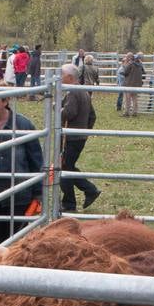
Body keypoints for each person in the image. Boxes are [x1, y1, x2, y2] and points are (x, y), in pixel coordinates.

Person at [0, 93, 44, 246]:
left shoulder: (24, 125)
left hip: (20, 194)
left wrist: (38, 192)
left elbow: (36, 160)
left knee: (19, 243)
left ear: (6, 101)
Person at [59, 63, 100, 213]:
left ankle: (70, 203)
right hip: (78, 137)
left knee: (63, 169)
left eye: (61, 75)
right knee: (67, 167)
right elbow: (92, 115)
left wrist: (56, 107)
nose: (60, 78)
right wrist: (85, 132)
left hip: (70, 138)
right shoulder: (83, 91)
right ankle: (89, 190)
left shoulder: (73, 92)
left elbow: (69, 112)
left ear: (69, 77)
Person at [123, 52, 145, 116]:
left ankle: (127, 112)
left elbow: (125, 72)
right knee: (135, 98)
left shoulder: (131, 64)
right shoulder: (140, 65)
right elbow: (144, 73)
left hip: (129, 83)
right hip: (137, 84)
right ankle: (135, 112)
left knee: (128, 99)